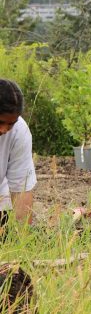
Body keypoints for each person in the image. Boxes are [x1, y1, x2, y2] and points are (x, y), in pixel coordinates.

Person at [0, 79, 37, 226]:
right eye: (0, 122)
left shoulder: (19, 131)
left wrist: (22, 242)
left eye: (10, 124)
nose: (4, 130)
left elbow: (21, 189)